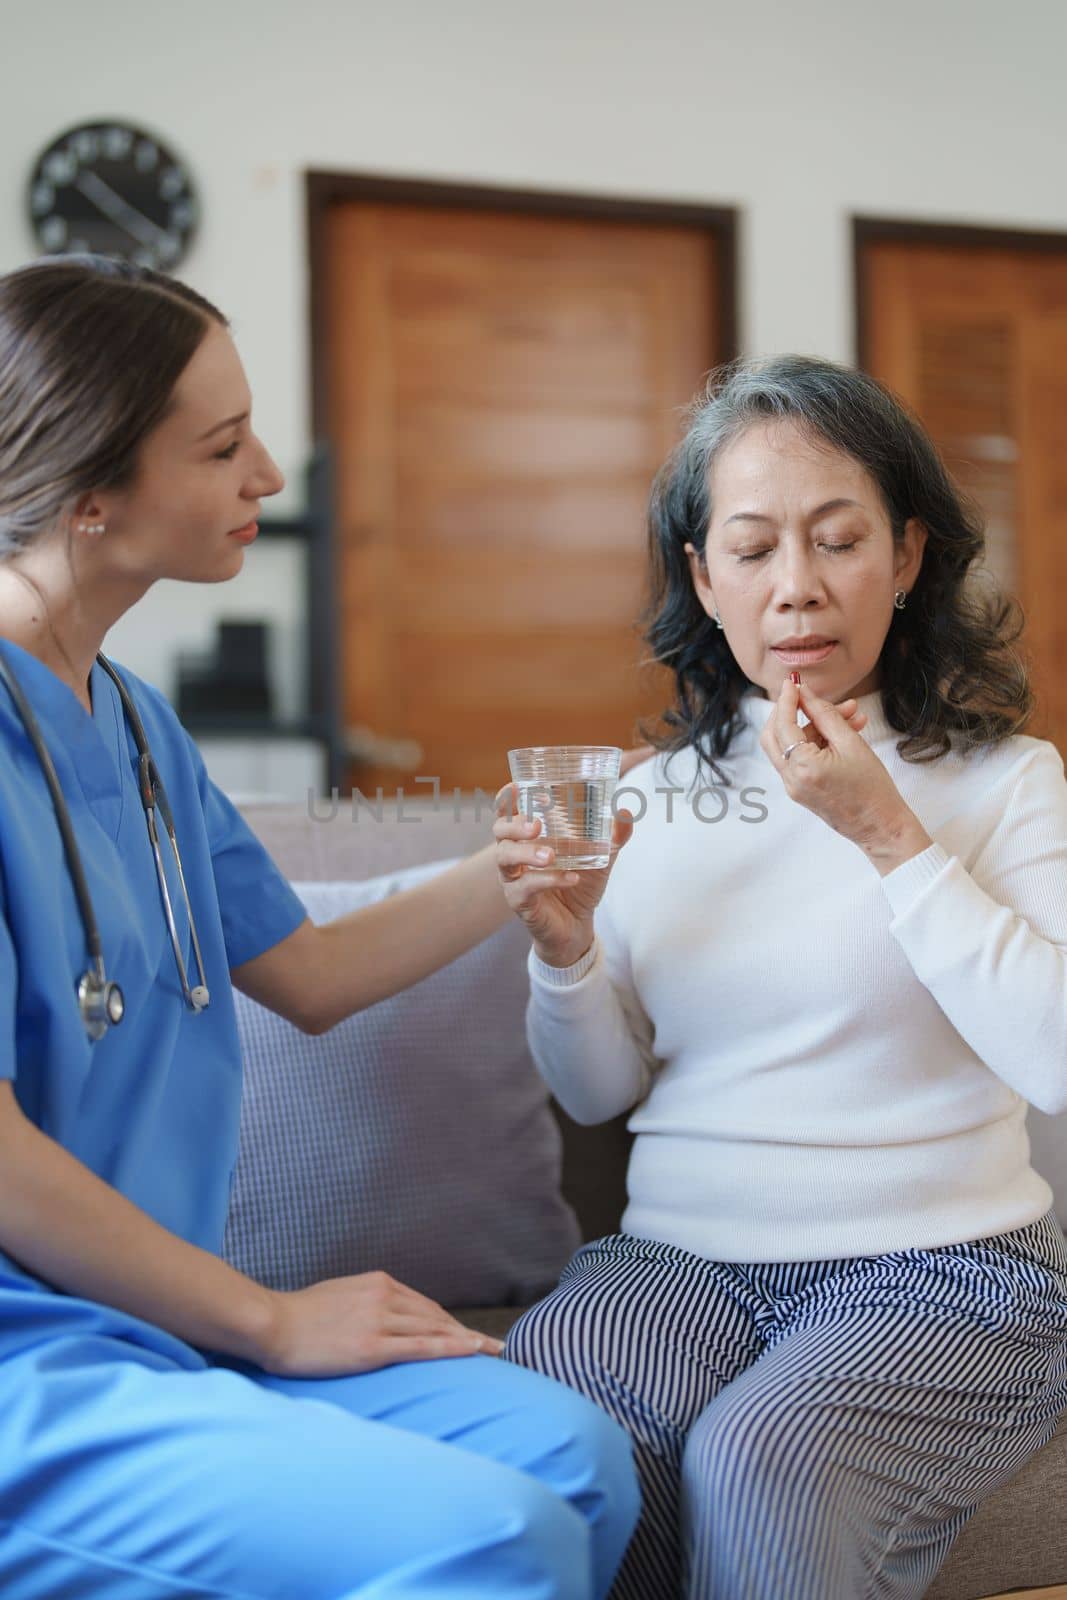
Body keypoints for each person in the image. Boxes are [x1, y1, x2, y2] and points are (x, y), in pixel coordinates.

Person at [0, 255, 642, 1600]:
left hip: (153, 1339)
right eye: (223, 447)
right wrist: (271, 1320)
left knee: (579, 1458)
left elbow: (308, 972)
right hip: (31, 1378)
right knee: (489, 1536)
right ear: (87, 490)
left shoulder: (135, 725)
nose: (271, 478)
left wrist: (521, 859)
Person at [493, 355, 1067, 1600]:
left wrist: (886, 837)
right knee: (551, 1421)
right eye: (750, 550)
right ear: (703, 578)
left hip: (946, 1271)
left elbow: (1055, 1061)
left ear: (907, 556)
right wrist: (565, 950)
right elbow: (596, 1093)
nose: (796, 589)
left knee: (762, 1456)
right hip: (675, 1265)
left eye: (837, 539)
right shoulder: (646, 800)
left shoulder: (1005, 780)